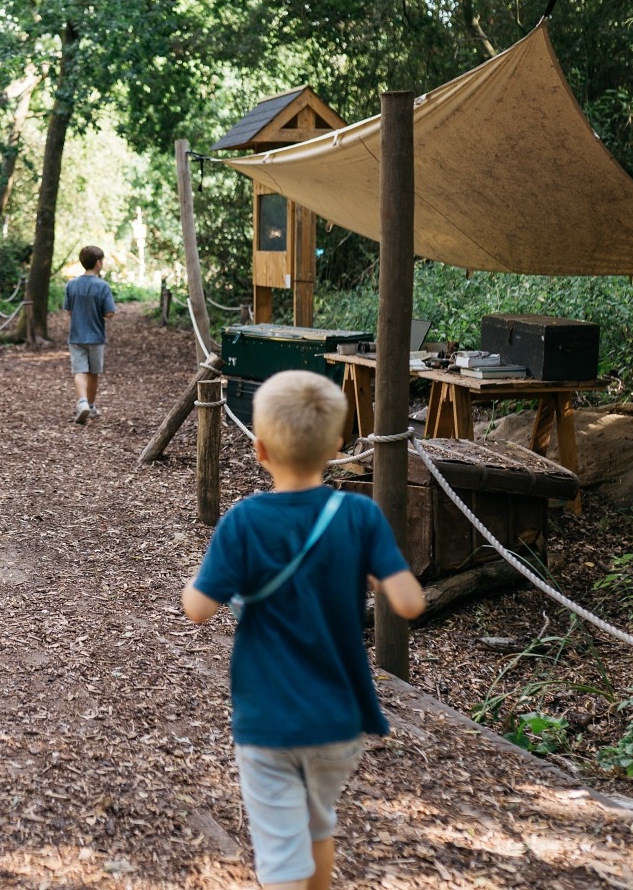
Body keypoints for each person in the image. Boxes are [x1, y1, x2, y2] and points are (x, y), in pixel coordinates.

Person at [181, 370, 426, 890]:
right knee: (318, 826)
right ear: (337, 447)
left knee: (279, 857)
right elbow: (409, 602)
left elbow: (199, 609)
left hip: (269, 718)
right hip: (339, 719)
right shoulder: (358, 514)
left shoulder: (245, 521)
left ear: (260, 450)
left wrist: (200, 585)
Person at [63, 245, 116, 423]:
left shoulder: (72, 284)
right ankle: (91, 406)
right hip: (96, 336)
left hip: (77, 335)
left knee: (79, 371)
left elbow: (69, 310)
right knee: (93, 372)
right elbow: (109, 313)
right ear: (98, 263)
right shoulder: (102, 286)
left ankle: (83, 403)